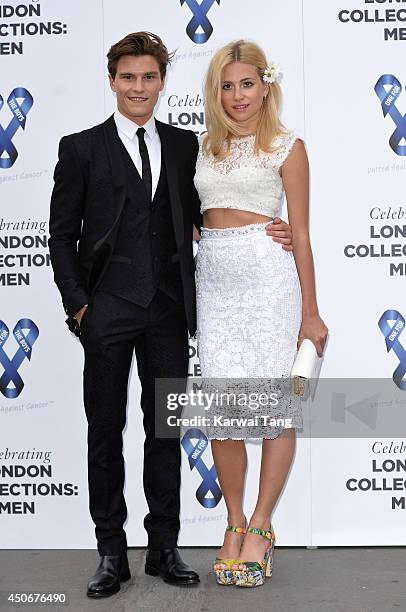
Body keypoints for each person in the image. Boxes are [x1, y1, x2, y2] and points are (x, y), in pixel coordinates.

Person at [48, 31, 294, 598]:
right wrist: (79, 305)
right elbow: (62, 236)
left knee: (166, 434)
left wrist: (270, 230)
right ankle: (111, 552)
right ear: (112, 81)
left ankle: (163, 548)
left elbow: (217, 210)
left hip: (167, 312)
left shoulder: (189, 147)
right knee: (105, 434)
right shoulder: (80, 147)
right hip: (106, 313)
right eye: (128, 77)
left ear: (162, 82)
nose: (139, 87)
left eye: (149, 77)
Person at [193, 40, 328, 588]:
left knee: (274, 407)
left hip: (270, 286)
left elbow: (299, 233)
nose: (237, 95)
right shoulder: (202, 147)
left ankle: (263, 526)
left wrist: (311, 314)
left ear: (265, 86)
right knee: (223, 411)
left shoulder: (288, 146)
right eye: (227, 86)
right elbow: (185, 210)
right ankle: (232, 520)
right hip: (215, 288)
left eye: (246, 83)